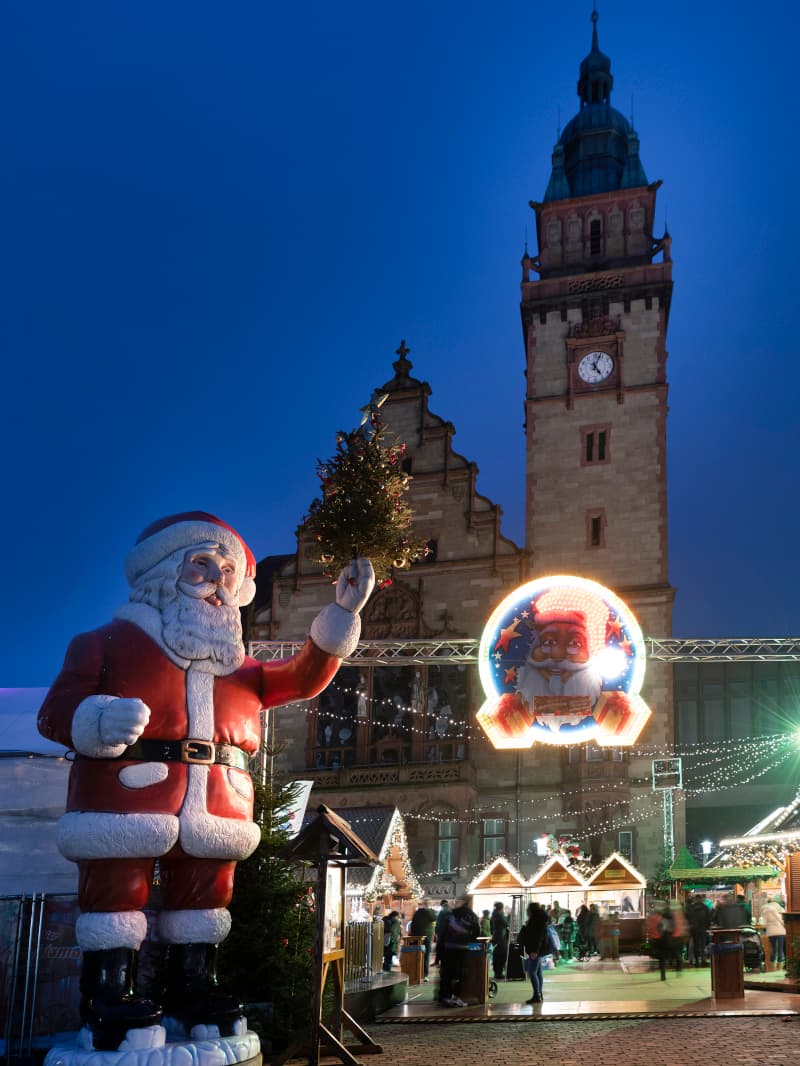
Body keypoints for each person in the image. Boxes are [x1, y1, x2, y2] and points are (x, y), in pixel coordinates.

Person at [37, 512, 375, 1050]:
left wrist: (342, 611)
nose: (217, 580)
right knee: (115, 901)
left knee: (203, 904)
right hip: (128, 796)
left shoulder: (240, 669)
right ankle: (107, 998)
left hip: (216, 806)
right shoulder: (103, 643)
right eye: (202, 565)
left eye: (226, 570)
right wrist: (98, 719)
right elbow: (55, 712)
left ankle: (194, 989)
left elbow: (305, 676)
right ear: (163, 571)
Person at [437, 902, 480, 1007]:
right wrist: (469, 939)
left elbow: (440, 930)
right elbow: (477, 931)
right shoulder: (471, 916)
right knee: (460, 974)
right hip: (461, 947)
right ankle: (457, 997)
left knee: (447, 973)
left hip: (447, 947)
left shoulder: (450, 915)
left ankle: (445, 997)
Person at [518, 901, 548, 1004]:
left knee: (532, 972)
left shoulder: (536, 920)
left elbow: (538, 937)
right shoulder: (540, 919)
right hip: (538, 949)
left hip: (535, 950)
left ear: (531, 910)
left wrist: (535, 950)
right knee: (538, 972)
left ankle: (537, 995)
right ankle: (539, 994)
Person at [409, 902, 437, 981]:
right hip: (426, 937)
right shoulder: (430, 913)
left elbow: (413, 924)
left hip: (416, 937)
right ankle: (424, 975)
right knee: (426, 956)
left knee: (417, 955)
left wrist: (412, 935)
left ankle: (416, 973)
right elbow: (434, 918)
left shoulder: (417, 913)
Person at [654, 903, 682, 980]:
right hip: (672, 938)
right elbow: (674, 927)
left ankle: (663, 975)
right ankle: (679, 970)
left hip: (663, 938)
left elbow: (659, 927)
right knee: (676, 955)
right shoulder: (673, 917)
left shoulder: (662, 917)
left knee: (662, 958)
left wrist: (661, 934)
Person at [759, 896, 786, 968]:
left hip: (770, 931)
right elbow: (782, 921)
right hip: (780, 931)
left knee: (774, 948)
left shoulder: (764, 911)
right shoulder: (779, 909)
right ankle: (779, 966)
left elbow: (763, 923)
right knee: (780, 949)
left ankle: (772, 966)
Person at [686, 893, 711, 966]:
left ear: (695, 899)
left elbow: (688, 918)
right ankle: (703, 960)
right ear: (701, 899)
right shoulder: (705, 907)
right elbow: (708, 918)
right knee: (703, 945)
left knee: (695, 945)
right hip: (703, 929)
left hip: (694, 930)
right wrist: (707, 927)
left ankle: (696, 961)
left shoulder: (691, 907)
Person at [490, 901, 510, 978]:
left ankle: (497, 972)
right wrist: (508, 915)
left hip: (495, 937)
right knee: (501, 955)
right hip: (500, 938)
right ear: (501, 908)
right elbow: (506, 924)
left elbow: (491, 927)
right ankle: (499, 972)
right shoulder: (499, 915)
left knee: (496, 955)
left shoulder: (493, 915)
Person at [434, 900, 451, 966]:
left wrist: (436, 932)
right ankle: (443, 963)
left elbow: (438, 923)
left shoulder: (441, 912)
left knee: (439, 948)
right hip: (448, 933)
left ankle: (438, 962)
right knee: (446, 949)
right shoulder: (450, 912)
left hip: (441, 933)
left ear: (442, 905)